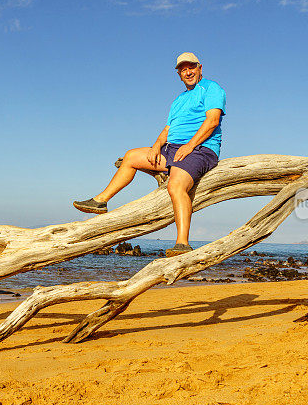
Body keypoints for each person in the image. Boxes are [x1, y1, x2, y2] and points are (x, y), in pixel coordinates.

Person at [73, 52, 226, 257]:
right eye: (183, 69)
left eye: (191, 67)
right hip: (173, 148)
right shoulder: (179, 100)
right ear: (179, 73)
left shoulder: (211, 88)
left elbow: (212, 121)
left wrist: (189, 146)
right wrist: (155, 146)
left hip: (201, 149)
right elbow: (168, 129)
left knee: (175, 185)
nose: (187, 72)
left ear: (200, 67)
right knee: (131, 156)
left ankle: (182, 243)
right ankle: (101, 201)